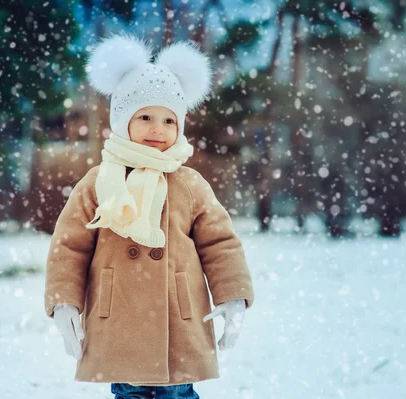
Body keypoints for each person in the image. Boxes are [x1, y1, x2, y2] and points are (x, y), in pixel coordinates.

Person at [44, 32, 255, 399]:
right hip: (119, 317)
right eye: (144, 116)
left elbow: (220, 243)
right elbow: (70, 246)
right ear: (122, 119)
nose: (158, 128)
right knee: (128, 393)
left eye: (168, 120)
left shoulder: (189, 183)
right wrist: (64, 301)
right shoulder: (99, 181)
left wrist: (233, 296)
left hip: (177, 315)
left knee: (177, 393)